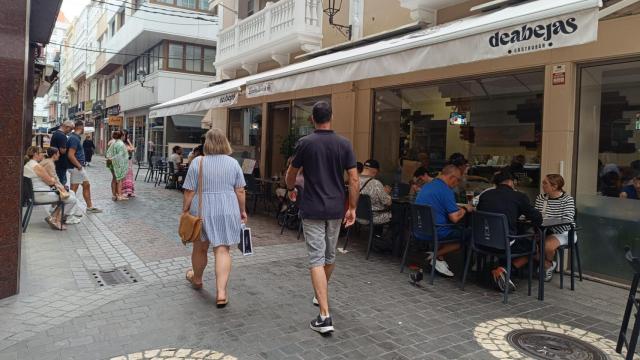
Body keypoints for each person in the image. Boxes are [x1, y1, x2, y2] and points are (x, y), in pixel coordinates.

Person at [285, 101, 358, 334]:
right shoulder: (344, 144)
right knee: (330, 254)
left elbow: (292, 173)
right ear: (331, 117)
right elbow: (354, 179)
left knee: (317, 258)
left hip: (313, 207)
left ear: (312, 120)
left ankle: (325, 316)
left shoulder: (305, 143)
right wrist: (353, 207)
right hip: (336, 208)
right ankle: (321, 295)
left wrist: (290, 188)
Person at [183, 128, 247, 309]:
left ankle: (197, 279)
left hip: (202, 209)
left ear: (207, 143)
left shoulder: (198, 162)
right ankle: (221, 292)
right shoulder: (233, 163)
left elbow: (189, 190)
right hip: (227, 208)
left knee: (200, 248)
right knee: (222, 249)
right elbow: (240, 190)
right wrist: (242, 210)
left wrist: (185, 210)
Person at [477, 170, 542, 291]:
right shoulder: (519, 196)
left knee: (509, 238)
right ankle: (505, 270)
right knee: (533, 247)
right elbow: (537, 218)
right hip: (505, 244)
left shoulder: (485, 195)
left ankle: (501, 270)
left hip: (481, 242)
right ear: (511, 182)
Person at [413, 165, 473, 278]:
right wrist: (465, 209)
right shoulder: (446, 191)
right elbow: (455, 218)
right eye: (458, 180)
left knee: (450, 226)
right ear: (452, 177)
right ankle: (435, 256)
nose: (458, 183)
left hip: (419, 230)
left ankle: (438, 258)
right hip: (436, 231)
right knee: (468, 234)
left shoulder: (427, 186)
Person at [23, 147, 81, 230]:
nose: (43, 155)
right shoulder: (36, 166)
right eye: (41, 153)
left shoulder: (28, 164)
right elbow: (50, 181)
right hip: (41, 194)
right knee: (71, 200)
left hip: (35, 193)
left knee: (67, 196)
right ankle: (54, 219)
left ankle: (53, 217)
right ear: (35, 154)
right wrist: (53, 180)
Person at [534, 174, 576, 282]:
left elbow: (567, 220)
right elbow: (536, 215)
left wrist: (548, 224)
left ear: (554, 186)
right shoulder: (541, 198)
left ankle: (546, 267)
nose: (542, 185)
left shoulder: (567, 199)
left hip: (564, 232)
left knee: (546, 246)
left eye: (545, 183)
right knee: (527, 245)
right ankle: (548, 264)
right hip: (543, 230)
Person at [39, 147, 84, 224]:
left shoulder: (47, 162)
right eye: (58, 154)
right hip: (46, 190)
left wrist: (62, 186)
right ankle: (60, 217)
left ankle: (68, 216)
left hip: (46, 188)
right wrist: (62, 187)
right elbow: (53, 179)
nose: (59, 155)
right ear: (54, 155)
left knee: (72, 192)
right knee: (72, 198)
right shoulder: (49, 163)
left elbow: (54, 179)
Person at [67, 120, 102, 213]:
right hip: (76, 167)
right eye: (83, 127)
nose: (84, 130)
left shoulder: (75, 137)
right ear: (80, 127)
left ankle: (89, 207)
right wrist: (78, 166)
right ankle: (67, 212)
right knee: (73, 190)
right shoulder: (74, 138)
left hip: (78, 167)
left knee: (86, 185)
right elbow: (71, 154)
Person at [358, 159, 392, 226]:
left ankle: (375, 234)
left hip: (357, 216)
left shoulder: (354, 180)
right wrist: (386, 192)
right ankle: (386, 235)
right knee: (397, 212)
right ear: (375, 171)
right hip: (372, 218)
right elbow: (388, 202)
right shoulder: (376, 183)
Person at [106, 130, 129, 201]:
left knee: (114, 178)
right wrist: (113, 159)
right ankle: (119, 195)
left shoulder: (114, 143)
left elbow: (108, 152)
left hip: (112, 163)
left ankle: (114, 194)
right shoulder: (121, 144)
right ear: (122, 136)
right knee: (119, 179)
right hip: (118, 164)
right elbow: (120, 155)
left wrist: (109, 159)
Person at [50, 120, 75, 186]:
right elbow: (62, 151)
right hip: (60, 164)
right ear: (67, 127)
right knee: (61, 183)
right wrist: (70, 147)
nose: (71, 131)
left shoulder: (56, 133)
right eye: (71, 129)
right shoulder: (62, 136)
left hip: (57, 163)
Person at [121, 130, 136, 198]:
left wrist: (129, 141)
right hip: (123, 161)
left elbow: (132, 149)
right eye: (123, 135)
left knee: (129, 176)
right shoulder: (120, 143)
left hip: (129, 161)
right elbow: (131, 149)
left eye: (125, 135)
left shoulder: (126, 143)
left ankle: (129, 191)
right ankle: (124, 191)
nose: (124, 136)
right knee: (124, 176)